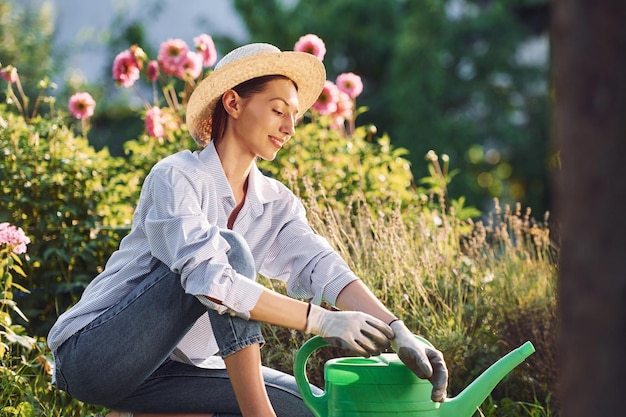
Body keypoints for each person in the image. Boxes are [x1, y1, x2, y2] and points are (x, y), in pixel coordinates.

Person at [47, 42, 448, 417]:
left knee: (311, 406)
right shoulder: (175, 177)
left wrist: (399, 331)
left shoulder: (275, 201)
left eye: (295, 115)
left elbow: (321, 266)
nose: (290, 127)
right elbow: (212, 280)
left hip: (175, 372)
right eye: (278, 110)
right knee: (227, 253)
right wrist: (322, 321)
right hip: (95, 356)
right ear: (234, 103)